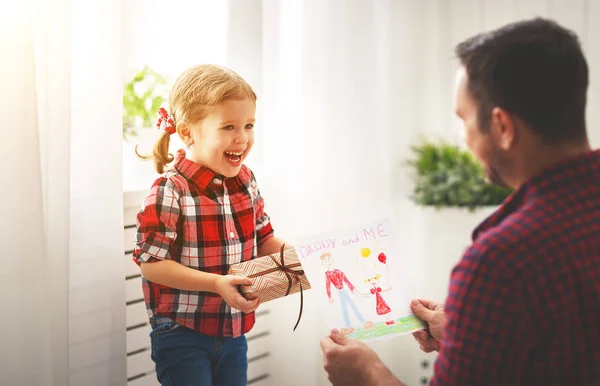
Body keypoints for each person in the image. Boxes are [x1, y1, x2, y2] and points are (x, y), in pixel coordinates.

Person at [321, 17, 600, 386]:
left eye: (464, 119)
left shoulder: (500, 261)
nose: (464, 139)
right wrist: (470, 332)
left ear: (502, 127)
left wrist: (367, 374)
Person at [133, 64, 286, 386]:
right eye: (228, 126)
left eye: (249, 125)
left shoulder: (245, 180)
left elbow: (265, 239)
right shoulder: (169, 189)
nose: (242, 138)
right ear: (188, 132)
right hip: (181, 333)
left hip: (233, 330)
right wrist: (216, 284)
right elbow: (152, 266)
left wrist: (306, 258)